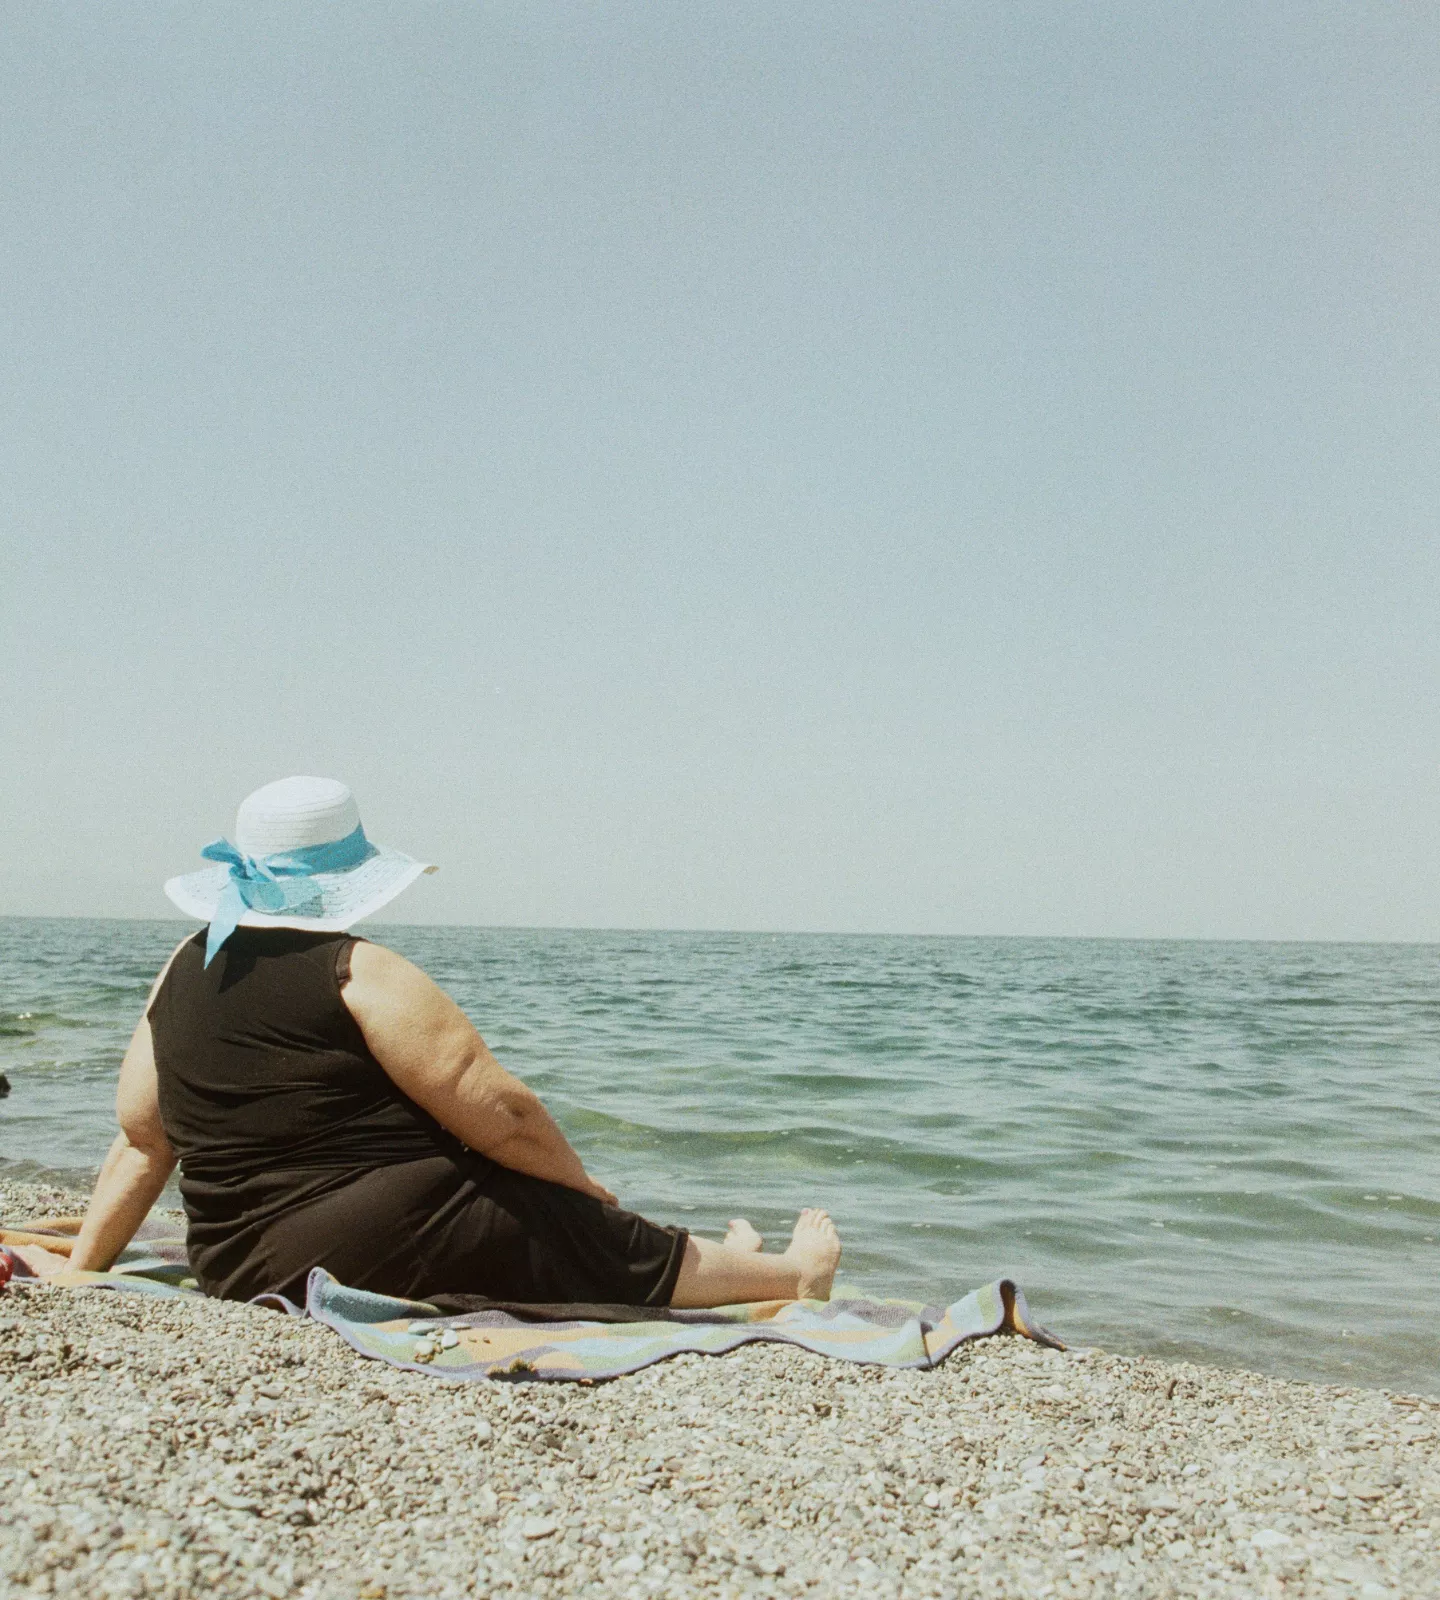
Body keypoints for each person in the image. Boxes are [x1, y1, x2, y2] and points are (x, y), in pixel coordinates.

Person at [71, 776, 841, 1310]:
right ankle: (792, 1277)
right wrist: (581, 1191)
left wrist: (83, 1272)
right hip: (353, 1250)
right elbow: (504, 1113)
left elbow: (142, 1137)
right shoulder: (359, 971)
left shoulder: (183, 962)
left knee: (537, 1208)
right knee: (574, 1227)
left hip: (234, 1264)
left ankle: (741, 1252)